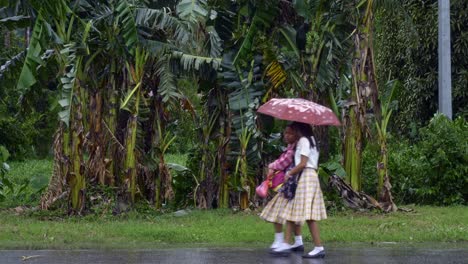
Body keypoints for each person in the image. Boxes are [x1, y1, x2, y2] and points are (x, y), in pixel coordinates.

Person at [273, 122, 327, 259]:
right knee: (297, 212)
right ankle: (290, 243)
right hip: (310, 176)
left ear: (299, 129)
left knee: (304, 214)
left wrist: (289, 173)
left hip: (306, 176)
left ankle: (317, 247)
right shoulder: (312, 140)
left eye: (294, 130)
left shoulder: (303, 140)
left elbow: (303, 163)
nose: (293, 133)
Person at [260, 124, 304, 252]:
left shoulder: (294, 149)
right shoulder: (294, 146)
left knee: (276, 211)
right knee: (294, 214)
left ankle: (279, 240)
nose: (286, 135)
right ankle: (298, 241)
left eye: (290, 133)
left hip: (289, 185)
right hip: (293, 184)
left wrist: (271, 165)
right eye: (285, 133)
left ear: (296, 135)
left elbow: (283, 162)